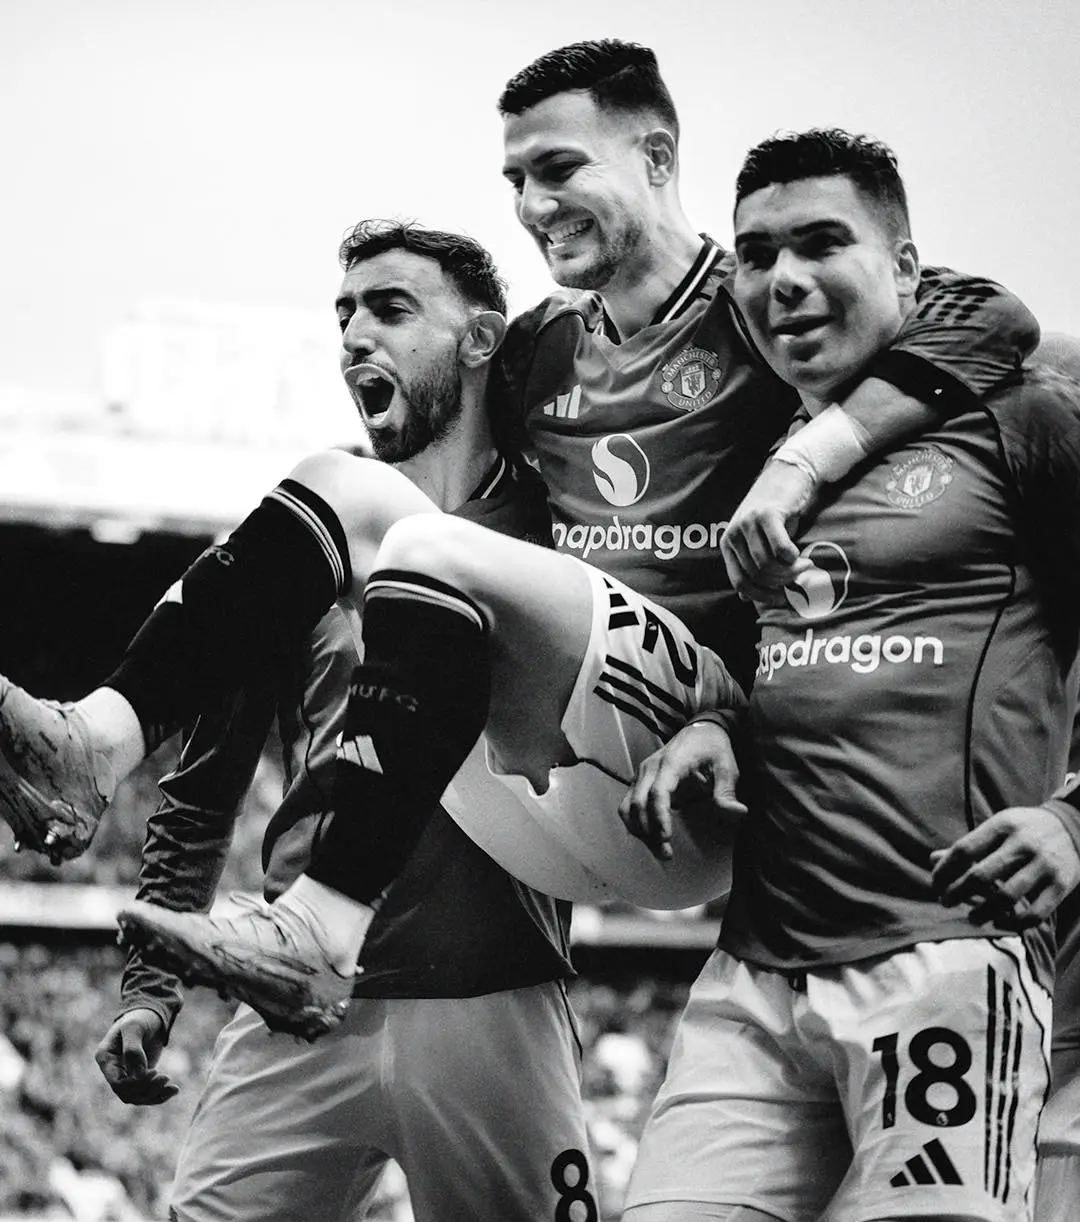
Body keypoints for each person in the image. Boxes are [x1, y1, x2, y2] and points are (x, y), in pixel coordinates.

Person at [0, 42, 1039, 1039]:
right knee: (342, 486)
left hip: (705, 759)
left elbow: (992, 314)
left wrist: (803, 460)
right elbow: (421, 436)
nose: (534, 205)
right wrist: (378, 361)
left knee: (427, 550)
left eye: (559, 168)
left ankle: (324, 926)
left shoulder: (760, 305)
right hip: (558, 779)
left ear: (657, 158)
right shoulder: (542, 346)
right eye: (515, 180)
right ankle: (97, 742)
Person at [603, 129, 1080, 1222]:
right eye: (756, 253)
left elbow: (1003, 314)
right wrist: (717, 726)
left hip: (944, 948)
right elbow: (780, 659)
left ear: (908, 267)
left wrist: (1074, 818)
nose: (784, 279)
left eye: (822, 243)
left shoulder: (1025, 421)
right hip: (754, 971)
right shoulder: (756, 461)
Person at [93, 221, 605, 1222]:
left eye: (390, 308)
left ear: (481, 339)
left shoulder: (559, 534)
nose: (355, 334)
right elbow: (203, 785)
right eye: (344, 314)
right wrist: (149, 989)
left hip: (494, 997)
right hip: (296, 1004)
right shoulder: (300, 547)